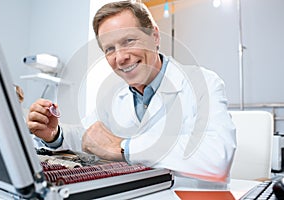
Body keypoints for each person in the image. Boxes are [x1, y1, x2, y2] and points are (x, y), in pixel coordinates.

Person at [27, 1, 236, 188]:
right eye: (110, 49)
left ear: (154, 36)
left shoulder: (203, 82)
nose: (120, 57)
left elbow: (217, 157)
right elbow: (90, 136)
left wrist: (122, 147)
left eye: (129, 40)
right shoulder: (113, 96)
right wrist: (55, 135)